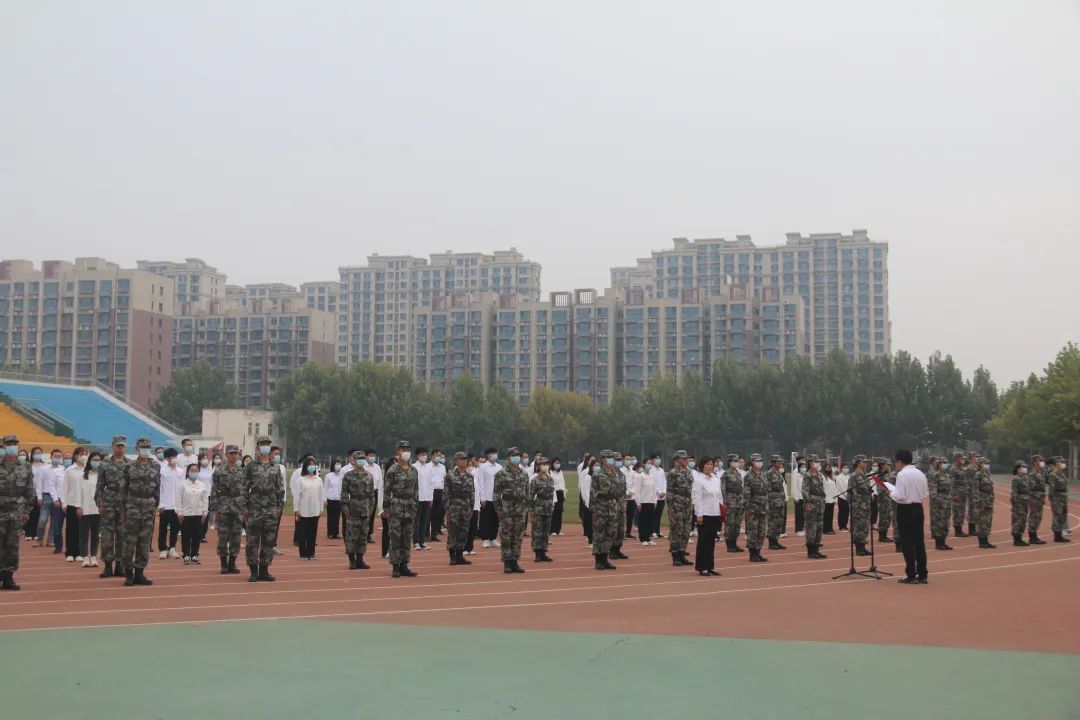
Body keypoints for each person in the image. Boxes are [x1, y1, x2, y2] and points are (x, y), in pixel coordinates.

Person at [877, 449, 929, 584]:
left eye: (896, 462)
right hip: (918, 508)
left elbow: (900, 496)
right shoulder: (920, 473)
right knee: (919, 542)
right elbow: (925, 494)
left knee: (907, 543)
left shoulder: (902, 474)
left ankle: (911, 574)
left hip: (905, 509)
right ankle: (922, 574)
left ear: (900, 462)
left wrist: (890, 491)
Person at [120, 438, 161, 586]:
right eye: (143, 447)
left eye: (148, 447)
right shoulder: (129, 466)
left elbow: (157, 487)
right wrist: (122, 510)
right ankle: (128, 574)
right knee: (129, 542)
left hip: (148, 507)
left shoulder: (155, 466)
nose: (145, 449)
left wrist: (155, 506)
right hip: (133, 506)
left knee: (144, 542)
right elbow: (123, 489)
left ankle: (139, 573)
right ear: (137, 449)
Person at [244, 436, 285, 582]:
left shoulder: (276, 467)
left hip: (270, 510)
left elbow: (280, 489)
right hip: (254, 509)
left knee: (268, 542)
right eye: (263, 444)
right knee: (252, 542)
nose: (265, 447)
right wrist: (245, 507)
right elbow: (244, 488)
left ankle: (264, 570)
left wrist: (279, 507)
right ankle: (253, 571)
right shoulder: (251, 467)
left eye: (268, 444)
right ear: (257, 448)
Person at [0, 435, 36, 590]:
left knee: (12, 545)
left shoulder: (26, 466)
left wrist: (27, 511)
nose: (12, 446)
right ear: (3, 446)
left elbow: (30, 490)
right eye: (9, 443)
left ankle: (8, 577)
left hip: (17, 511)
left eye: (14, 444)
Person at [384, 441, 420, 577]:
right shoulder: (392, 470)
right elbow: (387, 491)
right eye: (403, 449)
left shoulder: (413, 470)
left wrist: (415, 505)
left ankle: (404, 565)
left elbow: (416, 490)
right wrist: (386, 508)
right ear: (397, 451)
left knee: (407, 537)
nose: (406, 452)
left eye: (407, 449)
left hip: (410, 507)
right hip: (396, 506)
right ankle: (395, 566)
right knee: (395, 537)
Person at [95, 436, 128, 578]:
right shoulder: (104, 464)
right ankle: (108, 566)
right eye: (117, 445)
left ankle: (120, 566)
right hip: (108, 503)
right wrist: (100, 503)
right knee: (107, 536)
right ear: (112, 446)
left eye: (122, 446)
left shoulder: (130, 464)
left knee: (122, 536)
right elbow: (100, 486)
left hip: (124, 504)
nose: (120, 448)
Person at [494, 447, 530, 574]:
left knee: (518, 537)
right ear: (508, 458)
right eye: (513, 455)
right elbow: (496, 494)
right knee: (506, 536)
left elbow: (527, 493)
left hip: (520, 510)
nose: (516, 458)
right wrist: (498, 509)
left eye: (518, 455)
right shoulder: (501, 474)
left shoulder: (524, 474)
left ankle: (515, 561)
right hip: (507, 509)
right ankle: (507, 562)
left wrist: (526, 508)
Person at [210, 444, 245, 574]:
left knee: (236, 537)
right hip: (223, 506)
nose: (234, 456)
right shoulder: (219, 471)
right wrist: (215, 509)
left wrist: (245, 507)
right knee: (223, 537)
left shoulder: (242, 471)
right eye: (231, 453)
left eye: (236, 453)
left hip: (237, 507)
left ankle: (232, 563)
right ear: (226, 455)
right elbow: (214, 490)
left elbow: (245, 491)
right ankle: (223, 564)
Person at [340, 450, 376, 569]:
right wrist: (346, 510)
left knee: (363, 536)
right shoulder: (348, 476)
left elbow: (371, 495)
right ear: (354, 461)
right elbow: (344, 495)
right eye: (358, 459)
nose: (361, 461)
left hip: (365, 509)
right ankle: (352, 561)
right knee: (351, 536)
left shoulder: (369, 476)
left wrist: (371, 509)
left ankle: (360, 560)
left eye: (362, 458)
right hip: (353, 509)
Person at [691, 457, 722, 576]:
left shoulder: (715, 479)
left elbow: (719, 496)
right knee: (703, 541)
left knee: (711, 541)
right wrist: (698, 514)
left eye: (711, 464)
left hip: (715, 513)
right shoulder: (698, 480)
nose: (710, 466)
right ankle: (702, 567)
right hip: (704, 514)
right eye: (707, 464)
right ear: (702, 466)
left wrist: (721, 510)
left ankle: (710, 566)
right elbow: (697, 498)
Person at [444, 452, 474, 566]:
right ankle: (452, 556)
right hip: (454, 507)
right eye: (461, 459)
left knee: (463, 532)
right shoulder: (450, 475)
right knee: (453, 532)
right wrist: (447, 509)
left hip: (466, 507)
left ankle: (460, 556)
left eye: (465, 459)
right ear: (456, 461)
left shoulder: (470, 476)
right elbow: (446, 494)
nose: (464, 461)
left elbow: (472, 493)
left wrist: (471, 508)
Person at [590, 451, 619, 570]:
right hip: (600, 507)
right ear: (602, 459)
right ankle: (598, 560)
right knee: (599, 534)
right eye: (608, 458)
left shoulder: (615, 473)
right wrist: (593, 510)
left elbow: (618, 492)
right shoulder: (597, 474)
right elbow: (592, 493)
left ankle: (605, 557)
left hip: (612, 507)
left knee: (610, 533)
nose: (611, 460)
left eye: (612, 458)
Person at [74, 452, 103, 568]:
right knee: (84, 535)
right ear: (90, 461)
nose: (96, 462)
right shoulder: (82, 476)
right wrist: (78, 506)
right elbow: (78, 492)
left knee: (96, 535)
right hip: (85, 508)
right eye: (94, 460)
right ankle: (85, 557)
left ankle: (94, 557)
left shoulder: (102, 476)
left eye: (98, 460)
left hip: (98, 509)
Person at [176, 463, 209, 564]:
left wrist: (205, 512)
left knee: (197, 535)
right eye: (192, 470)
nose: (194, 472)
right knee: (186, 535)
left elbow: (205, 499)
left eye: (196, 471)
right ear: (187, 472)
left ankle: (194, 554)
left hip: (198, 513)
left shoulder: (202, 485)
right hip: (186, 513)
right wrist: (179, 512)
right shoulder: (182, 484)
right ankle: (186, 554)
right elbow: (178, 499)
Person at [666, 451, 694, 567]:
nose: (686, 460)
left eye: (686, 458)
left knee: (686, 531)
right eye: (683, 458)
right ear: (677, 459)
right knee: (676, 530)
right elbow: (670, 491)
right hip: (676, 505)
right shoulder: (673, 473)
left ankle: (682, 554)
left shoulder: (689, 472)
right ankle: (675, 555)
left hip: (687, 505)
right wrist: (670, 508)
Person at [294, 460, 324, 561]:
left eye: (313, 465)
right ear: (305, 467)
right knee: (303, 533)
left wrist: (321, 508)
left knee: (312, 532)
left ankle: (311, 553)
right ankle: (303, 554)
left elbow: (321, 495)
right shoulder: (301, 480)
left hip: (315, 509)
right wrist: (296, 509)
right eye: (310, 465)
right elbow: (297, 495)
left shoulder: (318, 480)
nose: (312, 467)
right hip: (303, 510)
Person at [528, 456, 556, 563]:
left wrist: (552, 506)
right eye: (543, 464)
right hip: (538, 508)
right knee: (537, 531)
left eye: (547, 464)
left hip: (548, 507)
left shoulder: (550, 479)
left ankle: (544, 552)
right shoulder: (535, 480)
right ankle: (537, 553)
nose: (546, 466)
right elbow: (531, 496)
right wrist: (531, 509)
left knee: (546, 531)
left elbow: (552, 495)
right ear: (538, 466)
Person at [741, 453, 768, 562]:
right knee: (753, 531)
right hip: (753, 509)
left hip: (763, 508)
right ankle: (752, 554)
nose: (759, 462)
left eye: (760, 460)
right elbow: (746, 494)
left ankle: (758, 551)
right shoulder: (748, 477)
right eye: (757, 461)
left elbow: (767, 491)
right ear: (752, 462)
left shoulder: (763, 475)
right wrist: (747, 509)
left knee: (762, 531)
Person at [37, 448, 65, 553]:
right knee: (43, 519)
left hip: (58, 497)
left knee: (55, 521)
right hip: (46, 496)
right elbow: (39, 483)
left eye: (59, 456)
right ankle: (39, 539)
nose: (57, 458)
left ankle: (50, 539)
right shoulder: (44, 469)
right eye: (55, 456)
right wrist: (39, 496)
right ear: (51, 457)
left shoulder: (63, 469)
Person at [157, 448, 183, 560]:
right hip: (165, 505)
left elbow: (182, 489)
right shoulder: (162, 471)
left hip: (177, 506)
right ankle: (163, 549)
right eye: (172, 457)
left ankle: (172, 548)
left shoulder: (181, 471)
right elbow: (160, 488)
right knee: (163, 528)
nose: (174, 459)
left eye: (175, 456)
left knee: (175, 528)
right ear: (167, 459)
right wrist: (160, 504)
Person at [62, 447, 86, 562]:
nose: (84, 456)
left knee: (82, 529)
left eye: (85, 454)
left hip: (85, 503)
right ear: (76, 456)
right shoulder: (69, 470)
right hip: (71, 502)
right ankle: (70, 552)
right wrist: (64, 503)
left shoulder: (88, 470)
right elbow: (65, 487)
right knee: (71, 528)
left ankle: (80, 552)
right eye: (81, 454)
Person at [801, 455, 827, 559]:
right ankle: (811, 551)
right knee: (811, 528)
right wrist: (808, 503)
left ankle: (816, 549)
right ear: (810, 463)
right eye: (815, 462)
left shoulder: (820, 475)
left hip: (820, 505)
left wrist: (823, 501)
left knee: (819, 528)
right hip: (811, 505)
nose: (818, 463)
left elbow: (822, 491)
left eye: (818, 461)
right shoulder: (807, 476)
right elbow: (805, 491)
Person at [926, 456, 953, 550]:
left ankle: (943, 542)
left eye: (944, 463)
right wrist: (937, 503)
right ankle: (939, 543)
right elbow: (933, 491)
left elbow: (949, 488)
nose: (943, 465)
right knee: (939, 523)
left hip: (947, 501)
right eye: (941, 463)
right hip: (939, 503)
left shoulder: (945, 474)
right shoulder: (934, 475)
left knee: (946, 522)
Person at [476, 448, 500, 548]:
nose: (495, 455)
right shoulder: (483, 467)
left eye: (495, 453)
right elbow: (480, 483)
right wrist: (482, 498)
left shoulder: (499, 467)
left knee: (495, 519)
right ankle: (485, 539)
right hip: (487, 497)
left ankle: (493, 538)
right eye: (492, 453)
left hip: (497, 497)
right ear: (488, 455)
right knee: (486, 519)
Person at [721, 454, 744, 553]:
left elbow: (741, 488)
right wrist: (725, 502)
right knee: (730, 524)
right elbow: (723, 489)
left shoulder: (738, 473)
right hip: (730, 501)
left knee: (737, 524)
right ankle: (729, 545)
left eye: (737, 461)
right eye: (734, 461)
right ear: (729, 462)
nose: (736, 463)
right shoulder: (726, 474)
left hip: (739, 501)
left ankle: (734, 543)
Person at [608, 452, 630, 560]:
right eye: (617, 460)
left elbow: (624, 491)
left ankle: (617, 549)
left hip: (621, 506)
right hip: (612, 507)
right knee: (613, 529)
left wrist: (624, 504)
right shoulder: (608, 475)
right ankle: (611, 550)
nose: (619, 462)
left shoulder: (622, 475)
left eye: (620, 460)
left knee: (621, 530)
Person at [412, 448, 433, 551]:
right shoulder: (413, 467)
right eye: (422, 454)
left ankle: (422, 541)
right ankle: (416, 541)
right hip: (417, 498)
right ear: (417, 456)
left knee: (425, 521)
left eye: (425, 454)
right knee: (417, 521)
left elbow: (431, 483)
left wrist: (431, 497)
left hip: (427, 497)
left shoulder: (428, 467)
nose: (424, 456)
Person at [631, 460, 656, 545]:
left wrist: (655, 501)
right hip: (643, 502)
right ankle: (643, 538)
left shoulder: (652, 476)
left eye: (650, 463)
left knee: (650, 520)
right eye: (647, 463)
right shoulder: (640, 476)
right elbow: (637, 491)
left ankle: (648, 538)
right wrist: (638, 503)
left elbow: (654, 489)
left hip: (651, 501)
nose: (649, 465)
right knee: (643, 521)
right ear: (644, 465)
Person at [972, 458, 996, 549]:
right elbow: (975, 489)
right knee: (981, 521)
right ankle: (982, 542)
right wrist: (977, 500)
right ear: (980, 464)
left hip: (988, 501)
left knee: (988, 521)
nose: (987, 465)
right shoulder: (978, 475)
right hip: (982, 501)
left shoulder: (987, 474)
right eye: (985, 463)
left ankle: (986, 540)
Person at [765, 455, 787, 550]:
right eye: (778, 462)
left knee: (779, 522)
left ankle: (776, 541)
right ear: (773, 463)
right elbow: (767, 489)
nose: (781, 463)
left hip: (780, 501)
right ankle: (771, 542)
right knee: (773, 522)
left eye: (781, 461)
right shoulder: (769, 473)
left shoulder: (779, 473)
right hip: (773, 502)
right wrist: (769, 501)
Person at [1047, 456, 1071, 543]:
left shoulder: (1062, 473)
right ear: (1056, 464)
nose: (1062, 463)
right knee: (1057, 516)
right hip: (1056, 497)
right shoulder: (1053, 475)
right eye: (1060, 462)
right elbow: (1051, 488)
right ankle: (1057, 536)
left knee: (1063, 516)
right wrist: (1052, 499)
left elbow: (1065, 485)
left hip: (1063, 497)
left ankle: (1060, 534)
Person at [1027, 455, 1048, 545]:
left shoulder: (1040, 473)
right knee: (1033, 517)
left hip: (1040, 498)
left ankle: (1035, 536)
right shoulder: (1033, 474)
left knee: (1038, 517)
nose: (1042, 462)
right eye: (1040, 460)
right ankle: (1032, 537)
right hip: (1034, 498)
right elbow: (1032, 487)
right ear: (1035, 462)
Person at [1010, 460, 1031, 547]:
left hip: (1025, 502)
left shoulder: (1025, 478)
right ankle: (1017, 539)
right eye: (1023, 467)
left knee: (1023, 520)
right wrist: (1015, 503)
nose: (1025, 468)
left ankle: (1020, 538)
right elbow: (1014, 492)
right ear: (1018, 469)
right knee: (1018, 520)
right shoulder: (1016, 478)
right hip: (1019, 503)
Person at [324, 458, 344, 540]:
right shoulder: (328, 476)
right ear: (333, 465)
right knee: (331, 517)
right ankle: (330, 533)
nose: (338, 466)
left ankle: (336, 533)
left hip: (339, 499)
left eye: (339, 464)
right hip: (330, 498)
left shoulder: (342, 476)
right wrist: (325, 499)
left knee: (337, 517)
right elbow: (325, 487)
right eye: (336, 464)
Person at [648, 453, 667, 540]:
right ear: (652, 460)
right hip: (654, 496)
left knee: (659, 515)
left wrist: (664, 491)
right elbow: (652, 483)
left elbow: (664, 482)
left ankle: (657, 531)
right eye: (656, 458)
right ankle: (652, 531)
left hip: (662, 496)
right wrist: (659, 492)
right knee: (653, 515)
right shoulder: (651, 470)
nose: (658, 460)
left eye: (659, 458)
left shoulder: (662, 470)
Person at [429, 449, 447, 542]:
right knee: (429, 514)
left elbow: (444, 480)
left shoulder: (442, 467)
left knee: (437, 514)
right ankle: (425, 534)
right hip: (430, 492)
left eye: (439, 455)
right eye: (436, 455)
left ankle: (434, 534)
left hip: (440, 492)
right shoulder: (427, 466)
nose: (438, 457)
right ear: (432, 456)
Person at [578, 455, 594, 548]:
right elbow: (582, 485)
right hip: (586, 497)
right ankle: (589, 536)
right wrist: (584, 498)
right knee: (587, 519)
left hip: (596, 500)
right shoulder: (584, 472)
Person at [549, 458, 566, 536]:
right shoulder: (550, 472)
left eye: (559, 463)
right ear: (552, 463)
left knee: (559, 512)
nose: (558, 464)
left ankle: (558, 529)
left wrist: (564, 494)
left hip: (560, 493)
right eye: (556, 463)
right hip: (554, 493)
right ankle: (552, 530)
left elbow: (563, 483)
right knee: (554, 512)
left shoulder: (560, 472)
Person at [791, 457, 806, 537]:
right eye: (801, 460)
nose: (803, 462)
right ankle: (798, 529)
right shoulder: (795, 472)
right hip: (798, 497)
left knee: (804, 515)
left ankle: (802, 528)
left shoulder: (805, 473)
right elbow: (794, 486)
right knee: (798, 514)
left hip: (804, 497)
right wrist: (795, 497)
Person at [822, 464, 837, 535]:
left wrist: (835, 499)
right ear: (824, 469)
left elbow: (834, 489)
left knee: (830, 515)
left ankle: (830, 528)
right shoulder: (822, 477)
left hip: (832, 499)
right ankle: (825, 529)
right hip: (826, 499)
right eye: (827, 468)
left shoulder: (832, 478)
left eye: (829, 468)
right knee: (826, 515)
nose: (828, 469)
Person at [835, 463, 850, 531]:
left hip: (848, 497)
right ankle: (841, 526)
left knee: (847, 511)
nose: (846, 469)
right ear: (841, 469)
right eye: (844, 468)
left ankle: (845, 525)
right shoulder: (838, 477)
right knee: (842, 512)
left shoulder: (848, 477)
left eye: (847, 468)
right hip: (841, 497)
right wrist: (846, 495)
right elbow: (841, 488)